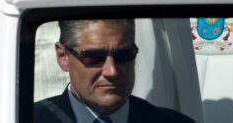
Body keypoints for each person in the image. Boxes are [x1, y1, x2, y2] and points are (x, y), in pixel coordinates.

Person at [34, 19, 195, 123]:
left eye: (123, 55)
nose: (112, 71)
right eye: (94, 57)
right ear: (63, 56)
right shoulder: (21, 118)